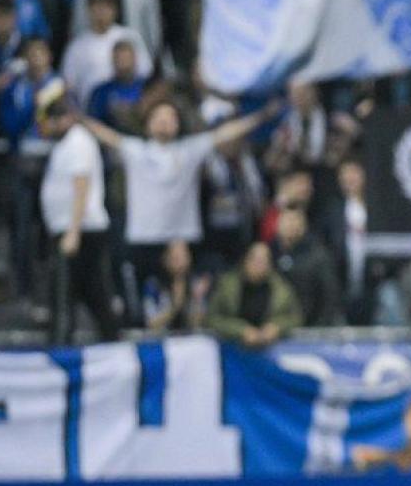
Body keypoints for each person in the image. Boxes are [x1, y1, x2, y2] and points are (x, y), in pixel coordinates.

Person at [82, 100, 277, 306]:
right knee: (141, 304)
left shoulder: (189, 150)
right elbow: (104, 134)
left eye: (170, 118)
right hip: (142, 239)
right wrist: (78, 117)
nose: (164, 122)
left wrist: (260, 116)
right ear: (148, 123)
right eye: (159, 117)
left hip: (180, 242)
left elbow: (226, 133)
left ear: (178, 124)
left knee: (181, 301)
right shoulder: (135, 150)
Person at [36, 83, 119, 344]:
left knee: (67, 297)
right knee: (92, 297)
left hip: (80, 233)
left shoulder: (78, 142)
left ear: (65, 118)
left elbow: (80, 185)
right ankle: (108, 341)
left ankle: (62, 348)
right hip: (73, 231)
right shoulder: (65, 144)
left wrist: (73, 232)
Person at [203, 241, 301, 349]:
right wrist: (241, 330)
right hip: (231, 350)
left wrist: (276, 327)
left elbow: (295, 317)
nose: (259, 265)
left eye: (264, 260)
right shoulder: (226, 286)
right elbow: (212, 318)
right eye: (255, 259)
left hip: (271, 352)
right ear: (245, 260)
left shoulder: (282, 289)